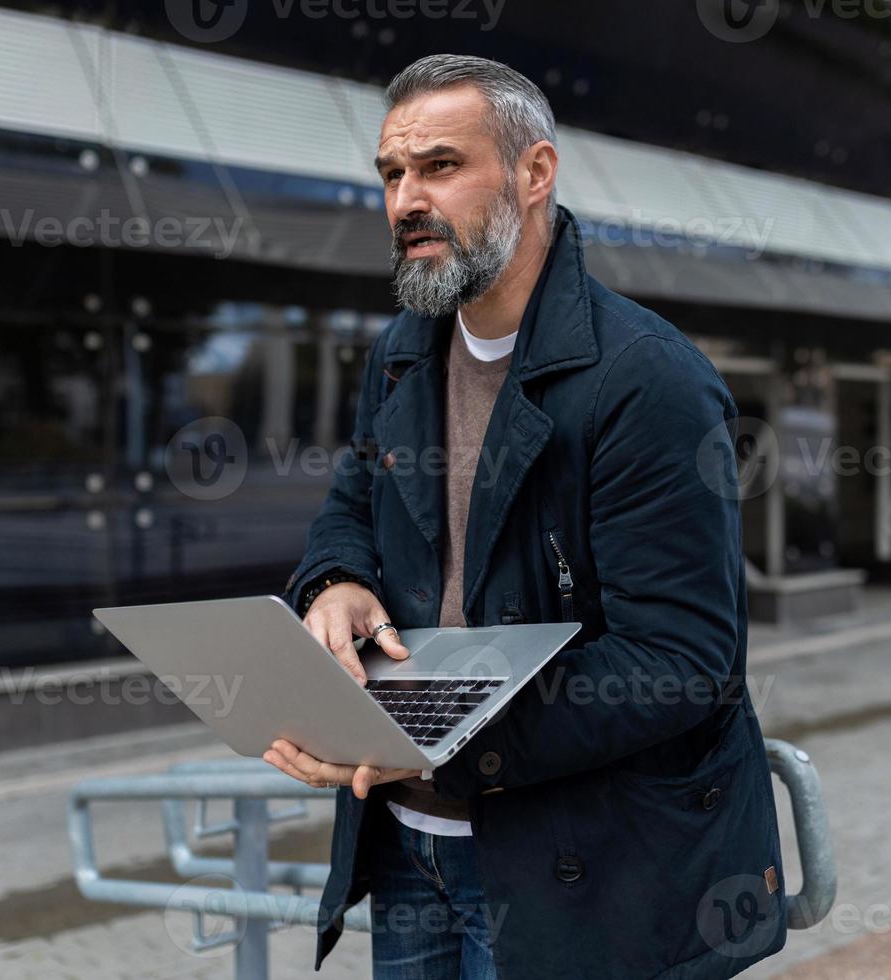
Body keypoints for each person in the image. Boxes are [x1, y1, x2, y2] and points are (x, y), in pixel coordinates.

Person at [267, 54, 786, 980]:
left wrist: (438, 734)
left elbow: (679, 663)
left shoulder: (648, 382)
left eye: (439, 166)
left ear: (534, 173)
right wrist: (336, 578)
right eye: (392, 174)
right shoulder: (402, 350)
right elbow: (354, 497)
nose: (405, 201)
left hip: (581, 869)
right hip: (407, 846)